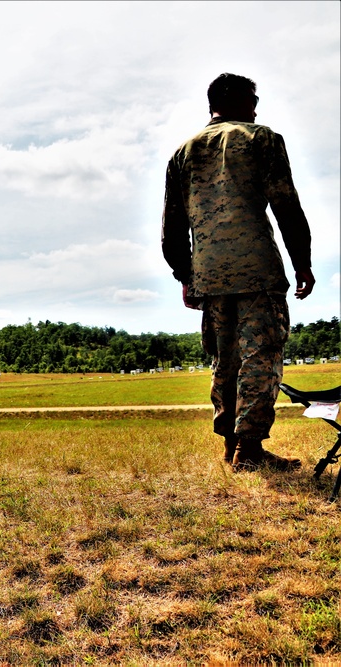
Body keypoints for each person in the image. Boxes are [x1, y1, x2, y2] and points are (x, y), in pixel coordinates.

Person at [162, 72, 315, 472]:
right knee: (260, 357)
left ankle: (232, 446)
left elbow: (173, 227)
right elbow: (287, 206)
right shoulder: (260, 138)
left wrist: (186, 276)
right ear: (231, 99)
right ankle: (249, 449)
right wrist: (303, 263)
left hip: (209, 276)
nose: (257, 106)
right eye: (253, 97)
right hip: (257, 270)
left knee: (224, 360)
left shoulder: (183, 152)